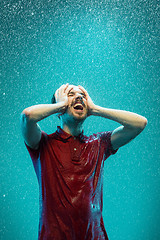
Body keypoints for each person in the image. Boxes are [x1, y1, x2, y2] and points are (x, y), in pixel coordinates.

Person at [20, 83, 147, 240]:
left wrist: (95, 109)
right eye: (71, 94)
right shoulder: (43, 143)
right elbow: (27, 116)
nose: (79, 97)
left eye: (83, 96)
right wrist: (61, 104)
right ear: (58, 110)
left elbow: (139, 124)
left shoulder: (99, 143)